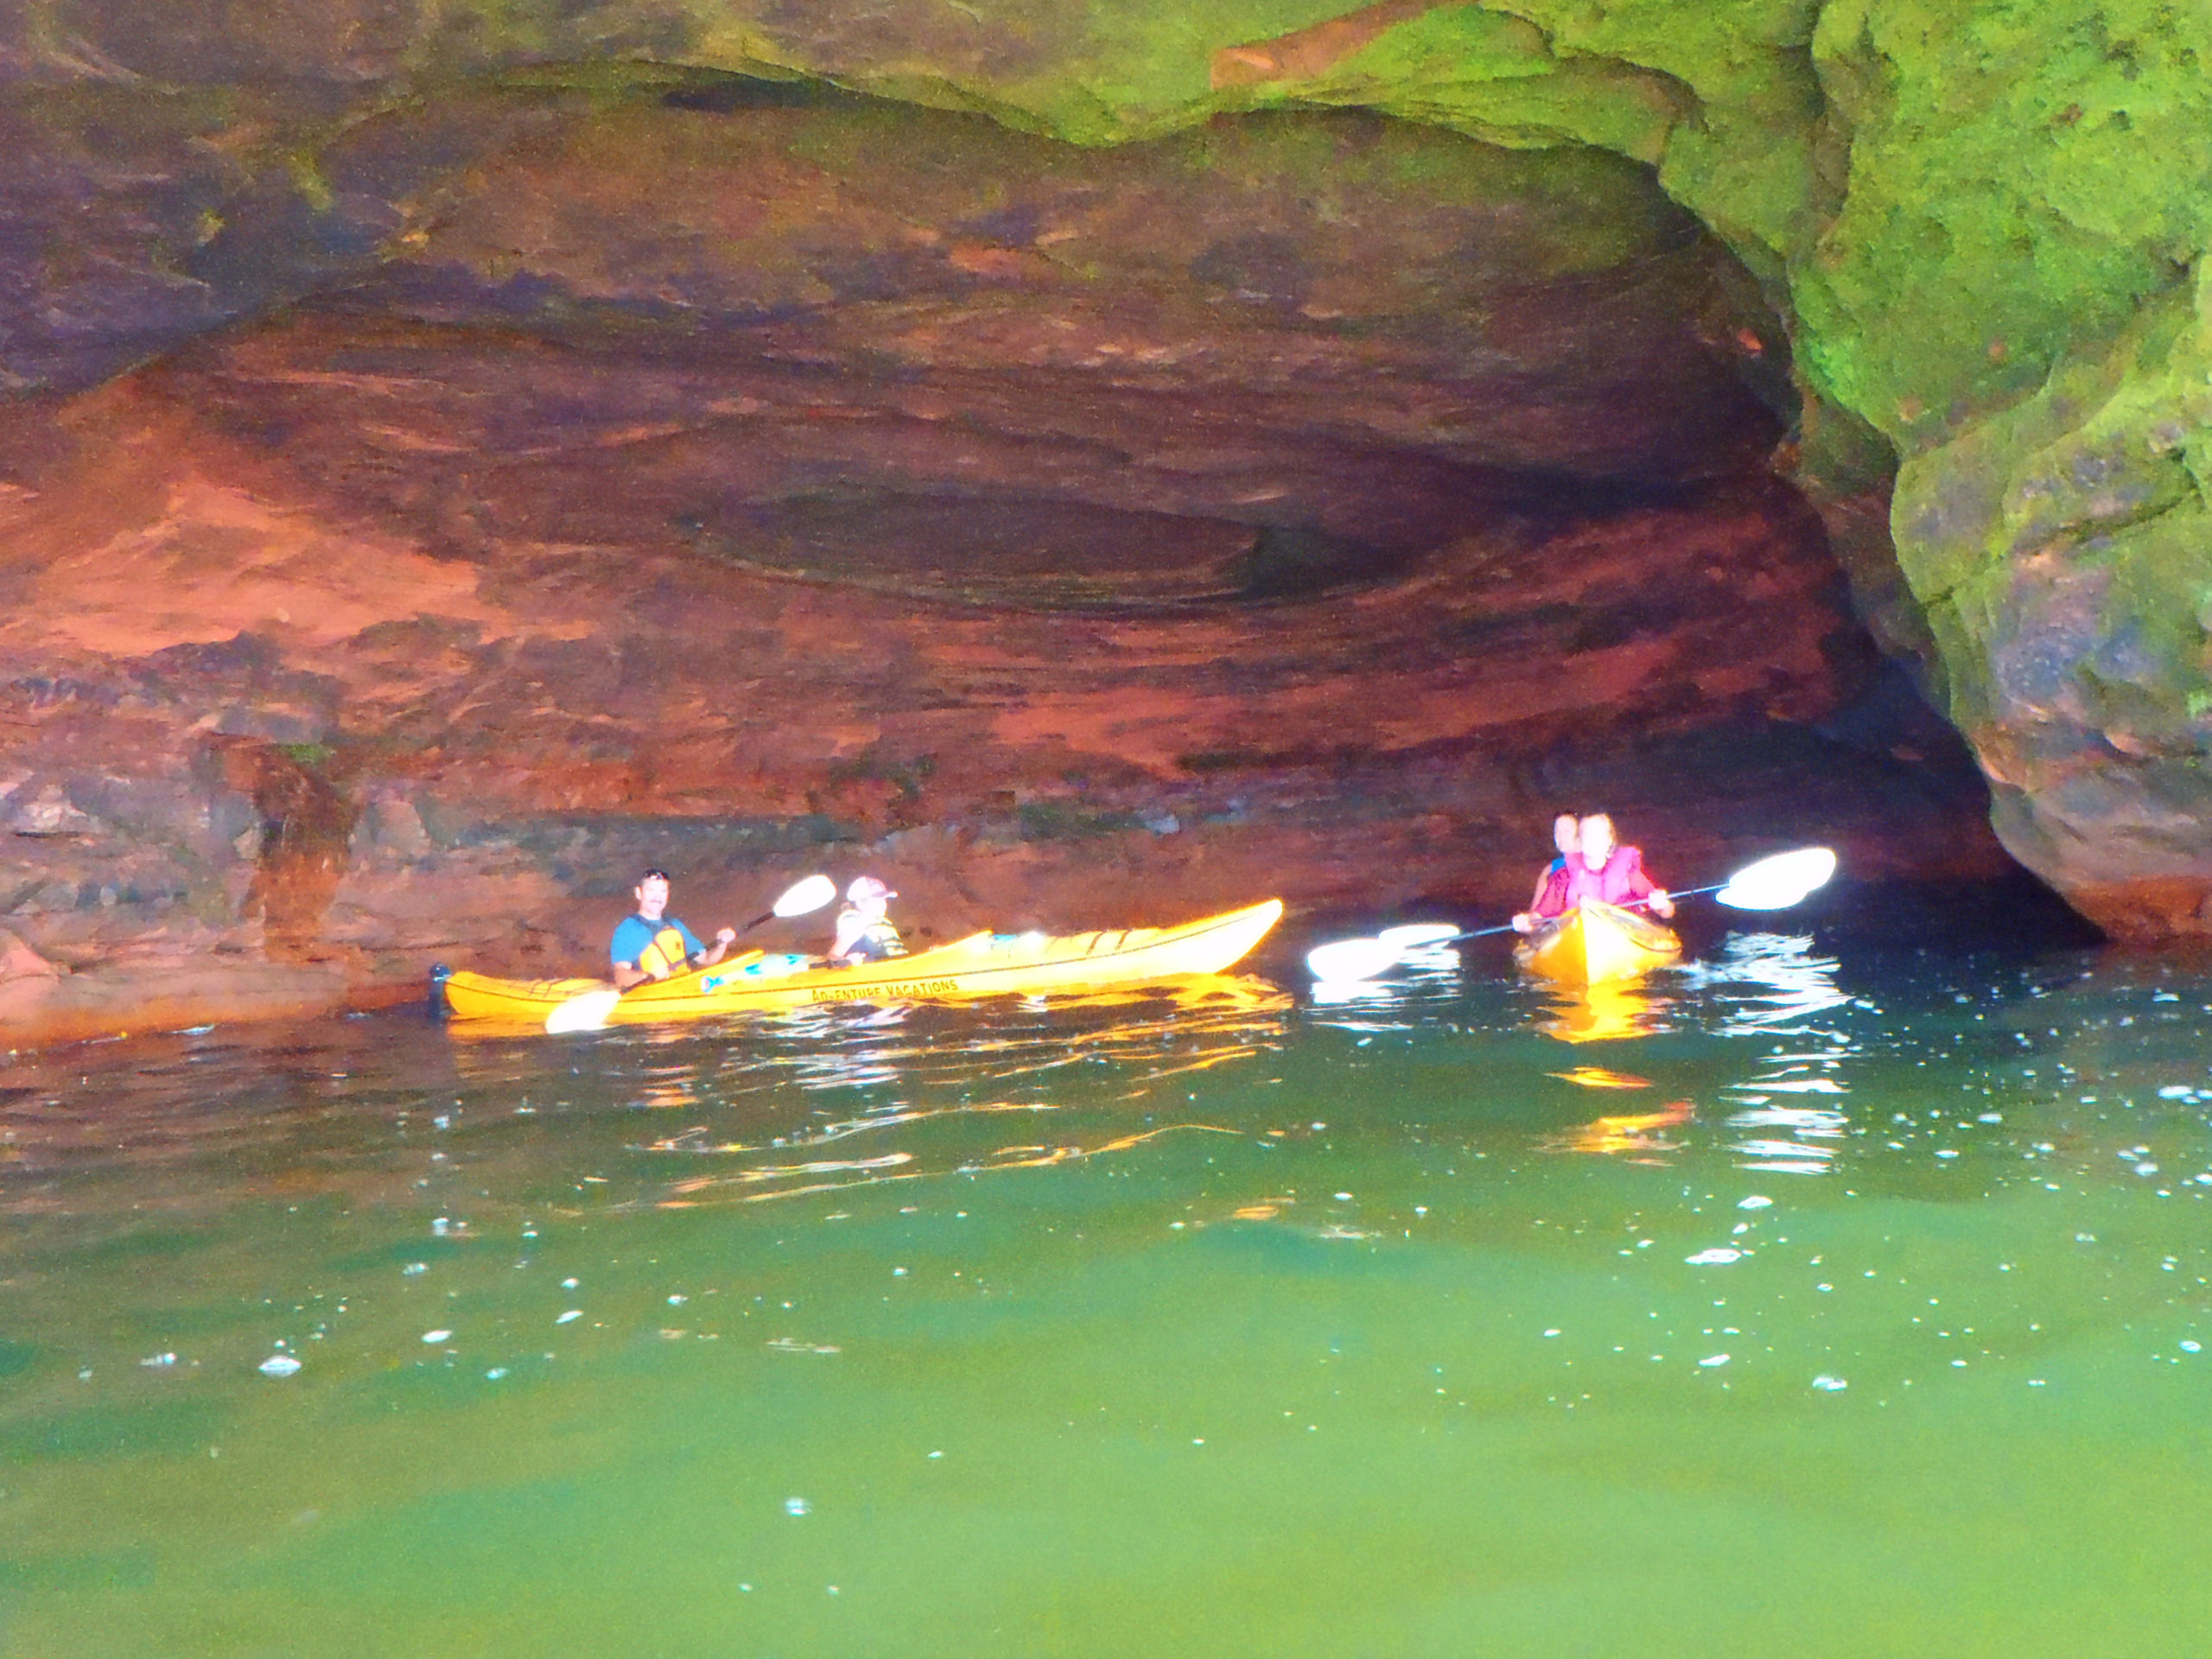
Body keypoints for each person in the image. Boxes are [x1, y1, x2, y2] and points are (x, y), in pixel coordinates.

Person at [609, 868, 738, 989]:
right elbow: (620, 977)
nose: (657, 897)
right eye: (651, 891)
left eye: (663, 892)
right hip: (651, 993)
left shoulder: (675, 925)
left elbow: (707, 960)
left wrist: (721, 944)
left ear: (667, 895)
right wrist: (646, 976)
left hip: (682, 988)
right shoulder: (628, 930)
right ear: (639, 893)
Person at [1560, 812, 1673, 918]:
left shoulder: (1629, 874)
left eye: (1599, 835)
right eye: (1587, 835)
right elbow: (1542, 916)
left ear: (1609, 840)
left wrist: (1662, 904)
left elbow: (1667, 912)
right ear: (1579, 841)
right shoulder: (1564, 876)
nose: (1593, 840)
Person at [1513, 812, 1581, 933]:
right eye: (1557, 832)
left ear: (1580, 833)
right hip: (1560, 933)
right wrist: (1525, 923)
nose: (1560, 836)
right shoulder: (1550, 871)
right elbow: (1535, 916)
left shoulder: (1597, 863)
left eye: (1566, 831)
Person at [828, 875, 907, 964]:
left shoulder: (882, 922)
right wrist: (847, 960)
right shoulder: (856, 924)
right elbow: (832, 957)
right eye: (877, 900)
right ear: (860, 902)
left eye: (884, 900)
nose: (883, 904)